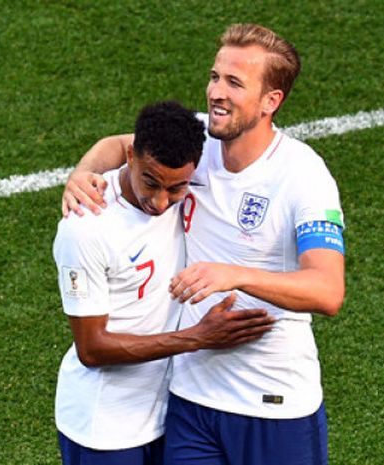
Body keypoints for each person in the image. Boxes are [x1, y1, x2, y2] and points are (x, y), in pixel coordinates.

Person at [62, 24, 346, 465]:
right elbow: (122, 145)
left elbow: (327, 291)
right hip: (190, 402)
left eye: (235, 83)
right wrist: (82, 172)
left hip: (272, 401)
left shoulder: (303, 176)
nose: (217, 93)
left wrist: (235, 274)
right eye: (215, 77)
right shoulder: (199, 140)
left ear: (272, 101)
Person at [52, 100, 275, 465]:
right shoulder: (86, 228)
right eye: (150, 182)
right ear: (131, 156)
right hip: (103, 430)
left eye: (176, 189)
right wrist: (198, 338)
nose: (159, 201)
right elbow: (91, 349)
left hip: (165, 416)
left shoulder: (183, 171)